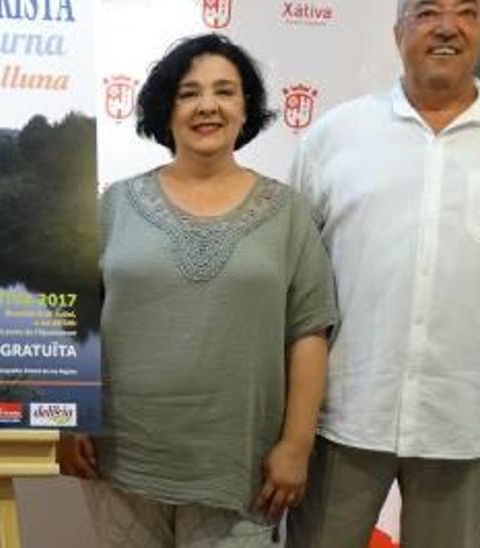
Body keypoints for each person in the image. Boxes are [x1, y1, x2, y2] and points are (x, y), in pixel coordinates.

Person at [284, 1, 480, 546]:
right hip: (341, 422)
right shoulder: (333, 138)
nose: (447, 26)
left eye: (466, 11)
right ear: (397, 30)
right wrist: (287, 425)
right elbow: (292, 296)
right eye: (427, 12)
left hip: (464, 427)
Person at [58, 33, 337, 547]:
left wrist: (297, 446)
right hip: (122, 459)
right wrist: (67, 419)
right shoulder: (115, 204)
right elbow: (78, 322)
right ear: (166, 108)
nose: (207, 105)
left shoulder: (288, 213)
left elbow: (309, 334)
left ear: (245, 108)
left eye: (225, 91)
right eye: (189, 92)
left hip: (240, 469)